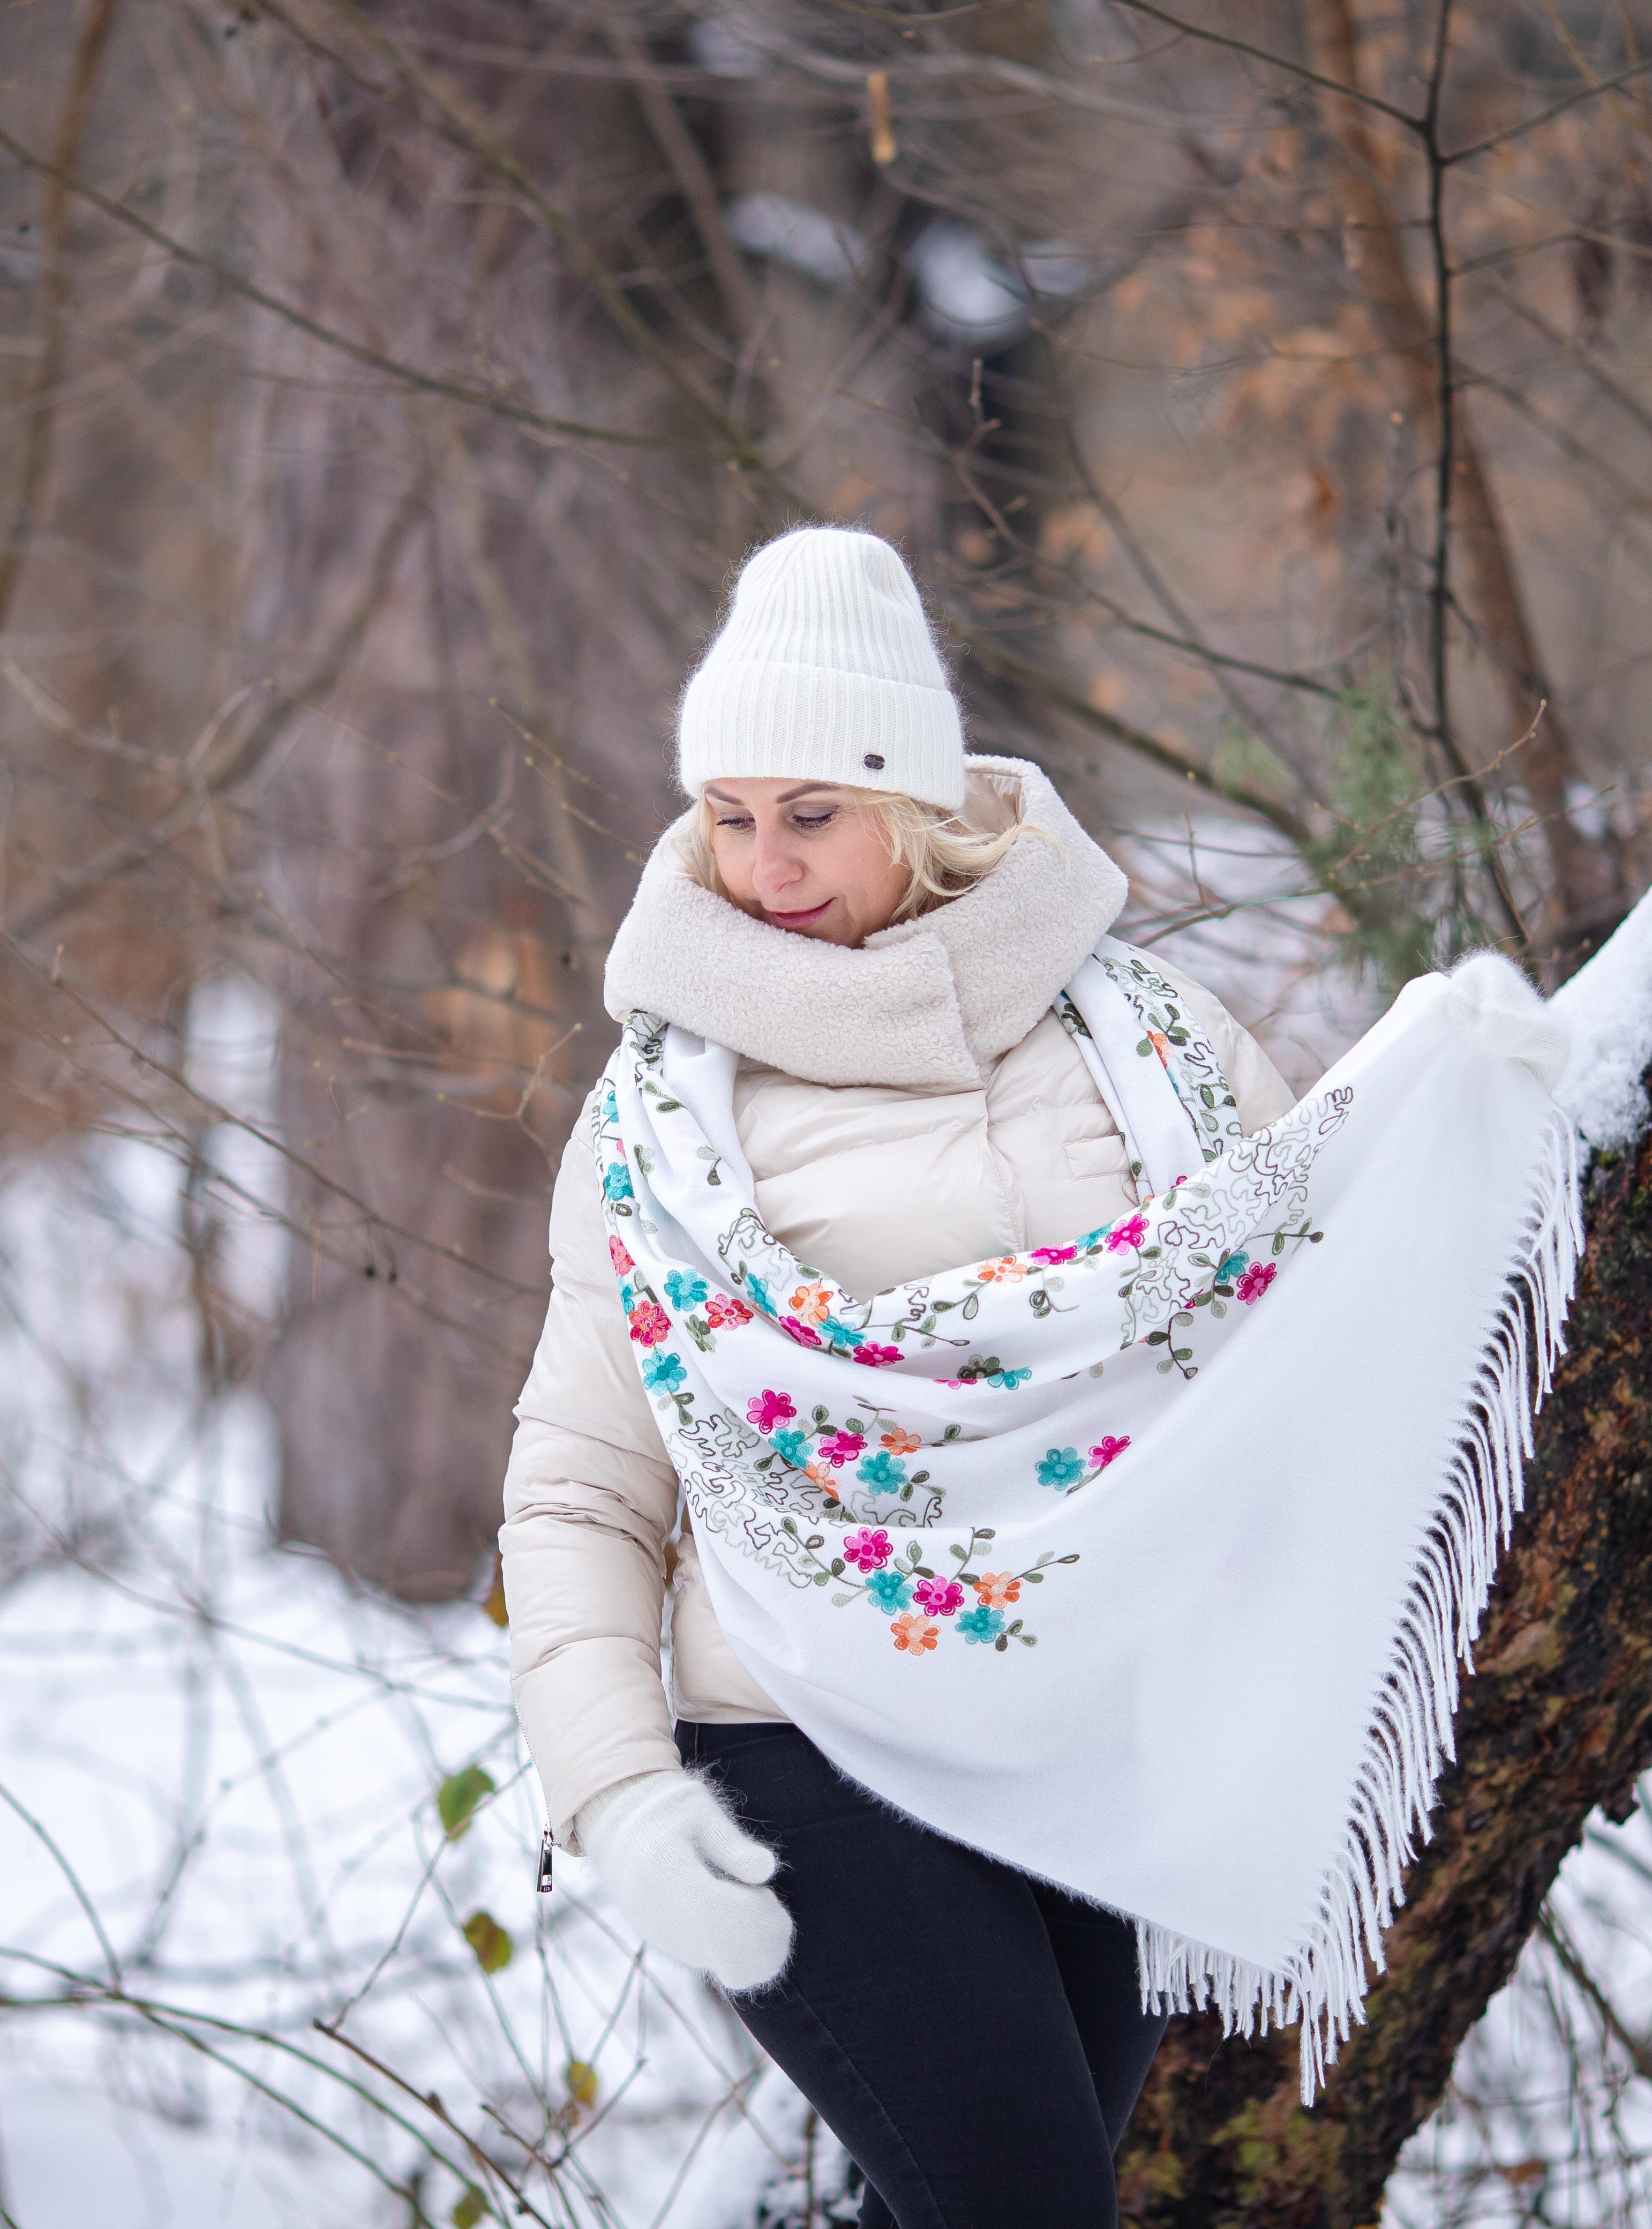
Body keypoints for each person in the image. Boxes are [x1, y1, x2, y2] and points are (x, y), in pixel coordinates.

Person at [500, 525, 1295, 2228]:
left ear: (921, 808)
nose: (765, 864)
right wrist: (621, 1796)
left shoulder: (1152, 1042)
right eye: (730, 814)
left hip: (1084, 1731)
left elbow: (1311, 1312)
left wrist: (1490, 1121)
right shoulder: (659, 1124)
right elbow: (580, 1479)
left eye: (814, 813)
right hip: (804, 1734)